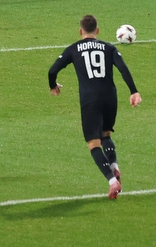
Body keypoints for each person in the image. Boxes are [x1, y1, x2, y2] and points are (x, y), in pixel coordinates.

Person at [48, 14, 141, 199]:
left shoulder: (73, 49)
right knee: (106, 134)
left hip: (90, 100)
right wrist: (134, 91)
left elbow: (52, 71)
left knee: (93, 144)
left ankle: (112, 182)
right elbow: (123, 68)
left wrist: (53, 86)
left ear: (80, 31)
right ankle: (114, 166)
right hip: (110, 97)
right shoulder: (109, 47)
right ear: (97, 31)